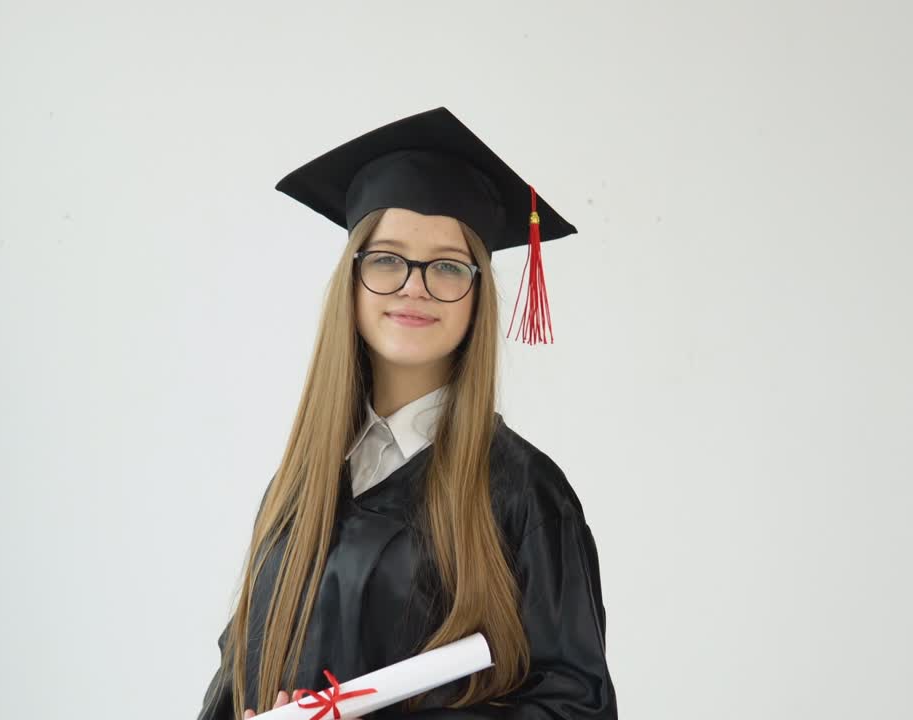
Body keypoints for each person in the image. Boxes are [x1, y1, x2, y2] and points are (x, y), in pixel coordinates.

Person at [196, 107, 617, 720]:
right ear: (354, 281)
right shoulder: (300, 484)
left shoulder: (524, 494)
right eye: (387, 258)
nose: (414, 286)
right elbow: (236, 674)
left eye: (448, 266)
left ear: (477, 295)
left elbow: (575, 707)